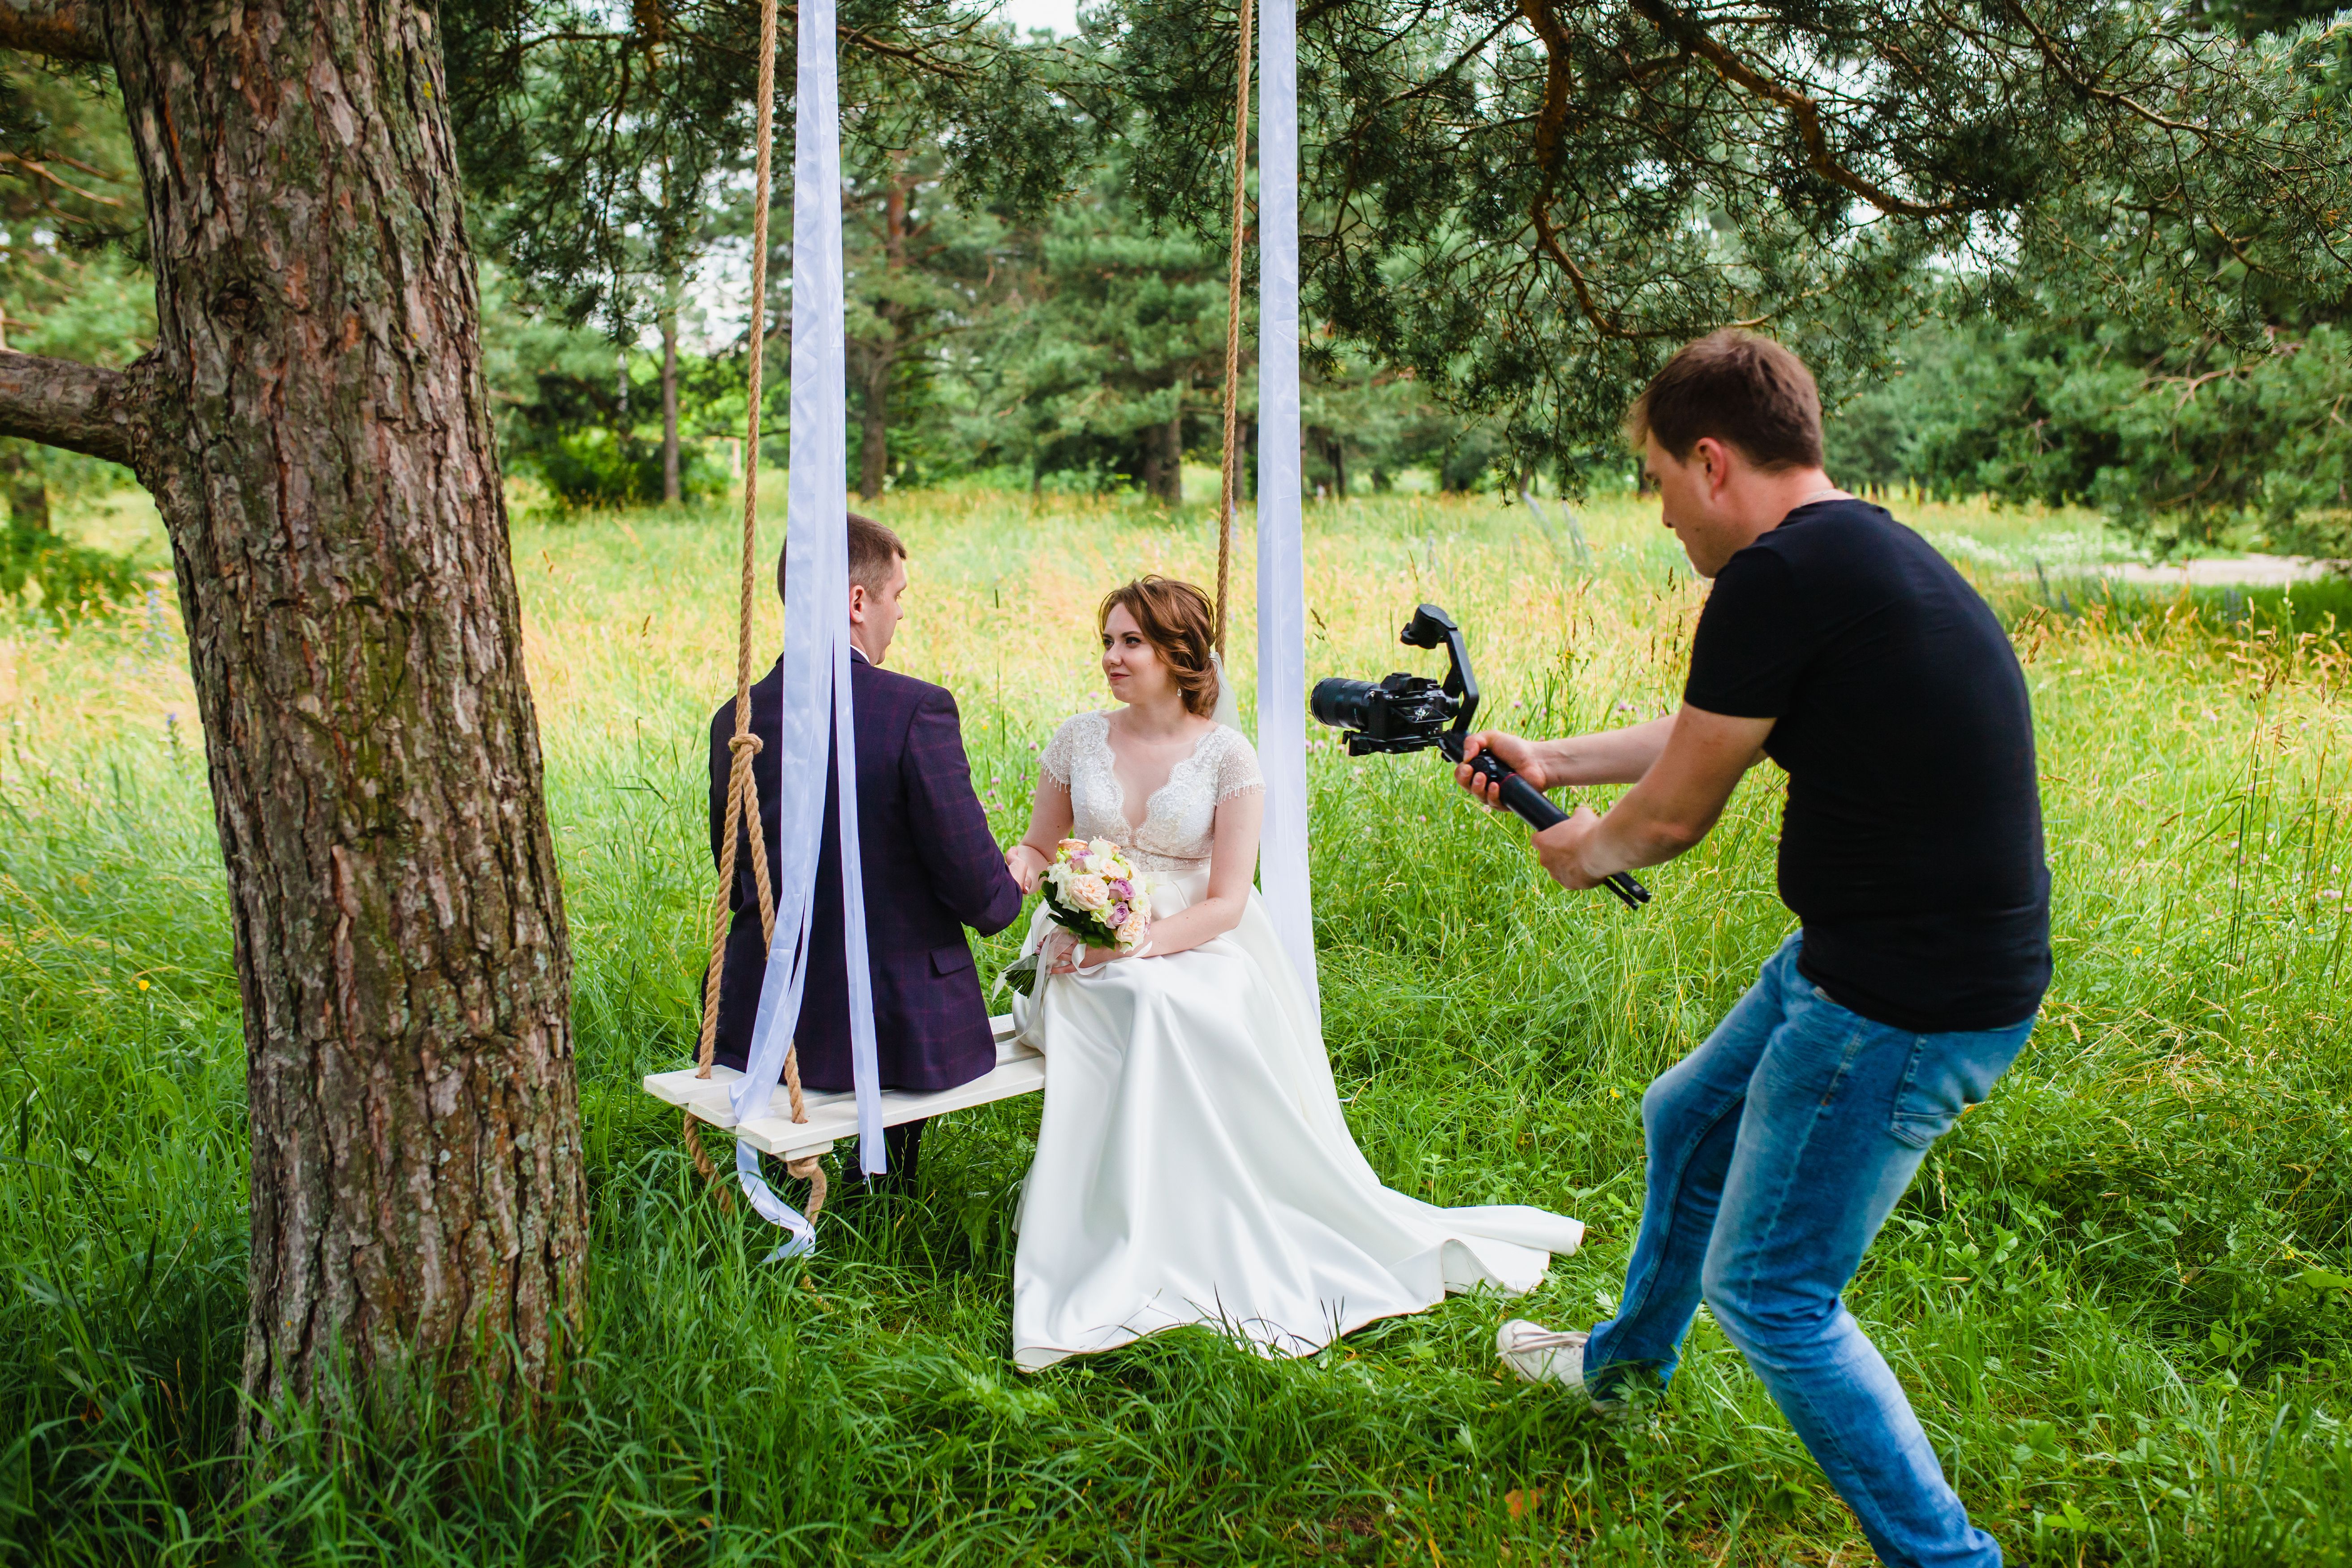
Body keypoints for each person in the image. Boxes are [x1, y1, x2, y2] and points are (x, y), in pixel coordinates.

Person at [1460, 331, 2049, 1568]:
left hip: (1901, 999)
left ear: (1712, 461)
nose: (1663, 513)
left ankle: (1949, 1559)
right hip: (1867, 955)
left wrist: (1585, 847)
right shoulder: (1853, 549)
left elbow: (1671, 816)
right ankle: (1620, 1370)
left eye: (1660, 480)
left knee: (1775, 1295)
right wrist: (1555, 764)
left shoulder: (1774, 578)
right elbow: (1709, 727)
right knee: (1687, 1114)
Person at [999, 575, 1584, 1370]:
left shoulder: (1226, 756)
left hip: (1193, 933)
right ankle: (1119, 1222)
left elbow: (1228, 903)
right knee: (1139, 1004)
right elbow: (1039, 843)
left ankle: (1205, 1220)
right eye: (1107, 640)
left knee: (1185, 1001)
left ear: (1179, 655)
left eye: (1130, 642)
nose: (1111, 657)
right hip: (1082, 934)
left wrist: (1136, 944)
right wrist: (1028, 866)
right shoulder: (1077, 739)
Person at [707, 512, 1023, 1192]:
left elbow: (735, 872)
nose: (900, 614)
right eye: (897, 596)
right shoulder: (916, 710)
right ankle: (888, 1192)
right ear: (858, 602)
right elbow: (980, 893)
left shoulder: (737, 718)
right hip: (901, 1026)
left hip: (769, 1020)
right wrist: (1015, 881)